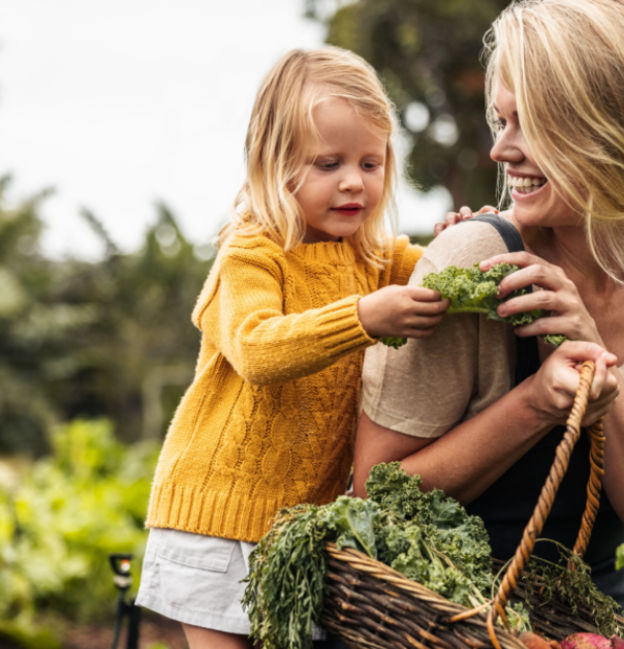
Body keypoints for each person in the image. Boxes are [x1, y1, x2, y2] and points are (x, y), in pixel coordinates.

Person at [354, 0, 624, 624]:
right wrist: (533, 405)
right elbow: (372, 496)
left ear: (608, 129)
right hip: (426, 623)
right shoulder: (474, 258)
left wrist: (593, 365)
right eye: (500, 121)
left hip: (589, 626)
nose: (501, 151)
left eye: (528, 125)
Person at [135, 47, 448, 649]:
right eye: (329, 163)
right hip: (216, 525)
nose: (355, 181)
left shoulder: (376, 258)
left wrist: (470, 232)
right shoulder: (251, 253)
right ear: (275, 166)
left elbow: (443, 269)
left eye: (370, 162)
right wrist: (362, 316)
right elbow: (257, 350)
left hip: (297, 537)